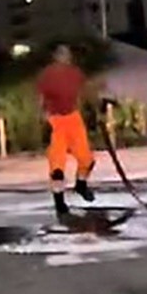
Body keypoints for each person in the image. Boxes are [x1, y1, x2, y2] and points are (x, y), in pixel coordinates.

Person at [35, 44, 98, 218]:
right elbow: (41, 98)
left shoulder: (75, 73)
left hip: (73, 118)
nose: (66, 57)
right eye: (63, 54)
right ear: (56, 56)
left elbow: (84, 92)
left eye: (68, 54)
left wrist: (93, 108)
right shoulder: (47, 74)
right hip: (56, 120)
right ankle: (59, 203)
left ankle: (81, 184)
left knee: (87, 159)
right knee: (57, 167)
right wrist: (42, 117)